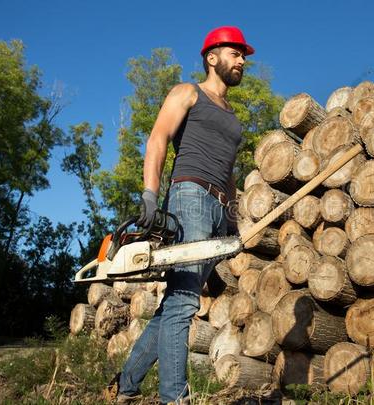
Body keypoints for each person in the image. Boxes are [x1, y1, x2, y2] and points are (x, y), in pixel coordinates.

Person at [107, 26, 254, 404]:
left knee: (177, 302)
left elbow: (229, 170)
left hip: (220, 207)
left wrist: (233, 219)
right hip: (189, 197)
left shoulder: (233, 116)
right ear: (211, 57)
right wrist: (150, 196)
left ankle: (125, 386)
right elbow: (157, 138)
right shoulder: (188, 92)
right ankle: (175, 398)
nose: (241, 61)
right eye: (235, 53)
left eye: (243, 56)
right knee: (185, 303)